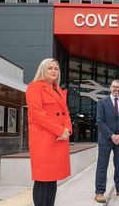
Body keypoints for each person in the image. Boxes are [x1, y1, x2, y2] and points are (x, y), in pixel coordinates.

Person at [26, 58, 72, 206]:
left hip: (58, 139)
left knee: (53, 178)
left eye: (56, 69)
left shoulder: (59, 91)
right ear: (43, 70)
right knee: (42, 179)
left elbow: (66, 114)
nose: (53, 71)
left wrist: (67, 130)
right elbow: (38, 114)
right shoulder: (34, 87)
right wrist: (60, 131)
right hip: (44, 140)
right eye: (50, 68)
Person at [94, 79, 119, 203]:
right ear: (110, 88)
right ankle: (99, 192)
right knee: (102, 166)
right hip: (106, 139)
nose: (117, 89)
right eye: (114, 87)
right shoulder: (102, 103)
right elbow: (99, 121)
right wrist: (112, 135)